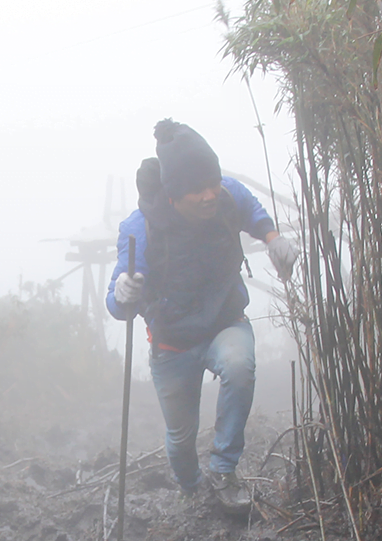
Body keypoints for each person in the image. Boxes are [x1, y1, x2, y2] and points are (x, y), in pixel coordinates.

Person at [106, 119, 297, 516]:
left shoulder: (227, 196)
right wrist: (123, 294)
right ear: (174, 195)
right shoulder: (141, 229)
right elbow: (116, 303)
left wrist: (273, 239)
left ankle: (224, 472)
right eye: (198, 190)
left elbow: (252, 209)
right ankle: (193, 489)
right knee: (179, 440)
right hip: (172, 341)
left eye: (213, 183)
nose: (210, 195)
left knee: (239, 365)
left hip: (225, 321)